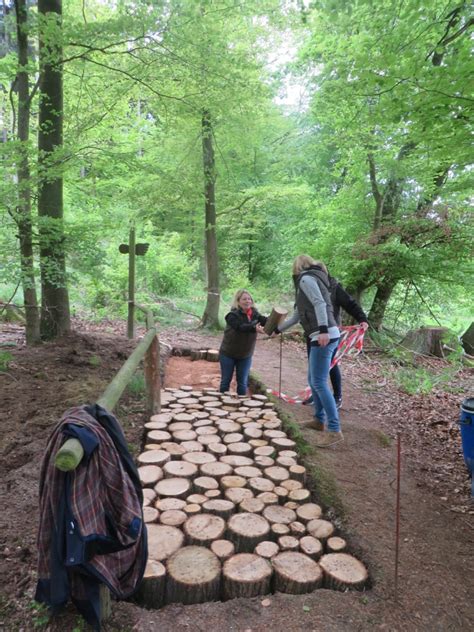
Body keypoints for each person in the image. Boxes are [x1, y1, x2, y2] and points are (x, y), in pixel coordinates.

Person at [275, 255, 342, 447]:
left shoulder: (306, 279)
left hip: (324, 333)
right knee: (314, 380)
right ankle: (319, 420)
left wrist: (322, 330)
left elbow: (320, 304)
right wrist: (277, 329)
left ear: (297, 266)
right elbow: (297, 315)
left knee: (319, 382)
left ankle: (334, 429)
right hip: (322, 333)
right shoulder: (311, 279)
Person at [303, 267, 369, 409]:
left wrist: (362, 318)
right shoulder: (307, 286)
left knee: (331, 365)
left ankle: (337, 396)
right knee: (314, 365)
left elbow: (350, 304)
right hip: (312, 332)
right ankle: (315, 395)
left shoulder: (334, 287)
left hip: (330, 334)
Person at [219, 289, 267, 396]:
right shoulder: (231, 315)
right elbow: (240, 327)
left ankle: (240, 405)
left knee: (242, 384)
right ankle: (221, 404)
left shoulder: (254, 313)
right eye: (244, 299)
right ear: (238, 301)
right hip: (228, 354)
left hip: (245, 355)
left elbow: (265, 321)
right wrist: (254, 327)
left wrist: (277, 321)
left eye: (249, 299)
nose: (247, 301)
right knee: (225, 382)